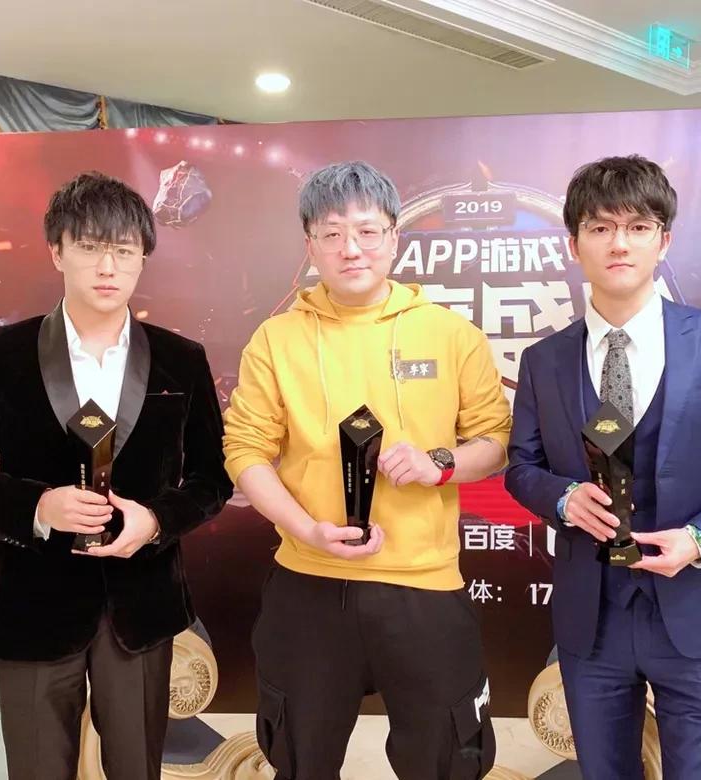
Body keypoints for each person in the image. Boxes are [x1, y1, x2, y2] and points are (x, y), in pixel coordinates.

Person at [0, 171, 233, 780]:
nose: (107, 266)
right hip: (34, 606)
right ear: (57, 251)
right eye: (89, 246)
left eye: (124, 250)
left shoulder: (182, 359)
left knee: (138, 769)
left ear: (143, 258)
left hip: (142, 607)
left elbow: (213, 480)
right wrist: (39, 507)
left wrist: (155, 520)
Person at [505, 155, 701, 779]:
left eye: (638, 227)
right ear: (574, 244)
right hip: (593, 618)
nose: (619, 243)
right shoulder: (542, 361)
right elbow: (522, 467)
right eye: (600, 227)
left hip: (699, 610)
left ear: (663, 241)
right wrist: (562, 498)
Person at [223, 160, 512, 779]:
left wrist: (439, 463)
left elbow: (495, 440)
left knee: (445, 760)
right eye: (331, 234)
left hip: (423, 586)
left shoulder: (451, 334)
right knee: (300, 759)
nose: (350, 249)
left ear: (394, 237)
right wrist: (307, 530)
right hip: (308, 582)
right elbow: (244, 451)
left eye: (367, 231)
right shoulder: (276, 339)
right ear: (310, 246)